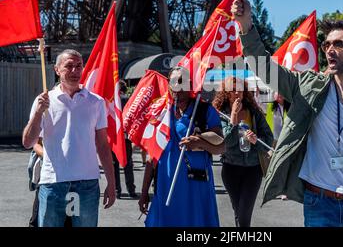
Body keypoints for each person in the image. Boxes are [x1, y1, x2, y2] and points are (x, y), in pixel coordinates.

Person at [231, 0, 343, 227]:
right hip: (319, 201)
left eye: (338, 44)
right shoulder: (307, 86)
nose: (329, 50)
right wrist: (245, 25)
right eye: (326, 44)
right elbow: (264, 68)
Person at [22, 49, 116, 227]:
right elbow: (28, 142)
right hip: (53, 183)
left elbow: (103, 145)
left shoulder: (96, 102)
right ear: (57, 69)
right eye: (69, 66)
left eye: (78, 66)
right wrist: (37, 113)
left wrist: (112, 183)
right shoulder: (44, 100)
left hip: (87, 184)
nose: (74, 71)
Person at [139, 67, 224, 227]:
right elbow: (152, 156)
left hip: (195, 187)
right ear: (169, 85)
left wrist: (199, 141)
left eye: (182, 81)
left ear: (190, 84)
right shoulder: (161, 112)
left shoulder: (204, 110)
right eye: (173, 82)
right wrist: (144, 193)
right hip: (165, 186)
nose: (177, 86)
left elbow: (220, 146)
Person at [212, 77, 274, 227]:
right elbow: (226, 143)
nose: (237, 92)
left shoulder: (254, 112)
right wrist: (233, 115)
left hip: (253, 170)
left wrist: (255, 140)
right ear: (226, 93)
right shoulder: (220, 114)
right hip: (231, 168)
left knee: (244, 213)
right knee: (238, 212)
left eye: (240, 89)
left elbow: (268, 139)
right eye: (232, 89)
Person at [113, 80, 137, 199]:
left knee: (114, 165)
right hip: (126, 137)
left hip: (114, 137)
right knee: (128, 164)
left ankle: (117, 190)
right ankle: (131, 189)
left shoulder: (112, 100)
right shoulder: (128, 100)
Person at [265, 91, 290, 200]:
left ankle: (285, 190)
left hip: (286, 139)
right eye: (276, 93)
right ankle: (276, 190)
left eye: (281, 93)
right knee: (274, 166)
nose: (279, 94)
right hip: (274, 140)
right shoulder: (270, 106)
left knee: (284, 165)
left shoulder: (290, 106)